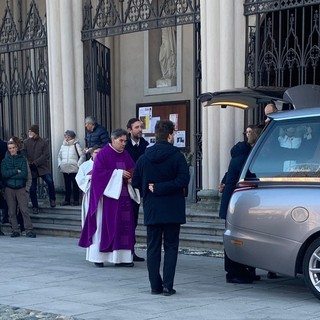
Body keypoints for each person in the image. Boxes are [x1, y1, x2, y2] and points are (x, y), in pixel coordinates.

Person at [132, 120, 190, 296]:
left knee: (153, 247)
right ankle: (167, 285)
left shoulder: (144, 157)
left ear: (156, 136)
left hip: (152, 208)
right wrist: (162, 187)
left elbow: (135, 181)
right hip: (173, 208)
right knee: (171, 247)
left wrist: (154, 187)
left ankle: (154, 286)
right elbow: (183, 181)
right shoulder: (178, 156)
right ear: (170, 135)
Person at [78, 129, 136, 268]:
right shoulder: (103, 154)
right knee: (103, 227)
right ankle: (99, 257)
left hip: (123, 197)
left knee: (123, 227)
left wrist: (131, 177)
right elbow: (97, 175)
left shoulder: (126, 154)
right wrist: (117, 174)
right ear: (113, 139)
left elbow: (133, 168)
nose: (123, 144)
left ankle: (122, 258)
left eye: (125, 141)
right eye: (121, 141)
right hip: (105, 199)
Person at [219, 125, 262, 284]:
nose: (248, 134)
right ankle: (233, 272)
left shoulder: (243, 154)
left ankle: (245, 270)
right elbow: (252, 174)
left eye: (250, 132)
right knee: (234, 238)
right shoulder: (243, 156)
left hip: (237, 201)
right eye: (247, 132)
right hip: (235, 203)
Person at [125, 118, 149, 262]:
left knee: (133, 220)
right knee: (125, 220)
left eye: (141, 127)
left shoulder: (145, 145)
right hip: (124, 186)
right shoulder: (125, 145)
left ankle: (131, 250)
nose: (140, 129)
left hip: (139, 188)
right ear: (130, 130)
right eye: (137, 127)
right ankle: (124, 250)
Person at [1, 140, 36, 238]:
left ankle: (29, 229)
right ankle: (15, 230)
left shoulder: (22, 160)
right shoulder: (4, 161)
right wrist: (16, 171)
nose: (12, 150)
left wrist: (11, 174)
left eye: (13, 148)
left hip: (21, 188)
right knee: (11, 211)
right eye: (10, 148)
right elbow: (4, 174)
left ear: (17, 148)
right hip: (9, 188)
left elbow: (24, 174)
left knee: (24, 210)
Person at [23, 124, 56, 213]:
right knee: (32, 188)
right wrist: (29, 163)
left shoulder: (43, 142)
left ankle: (52, 199)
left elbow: (45, 155)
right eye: (29, 131)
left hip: (42, 167)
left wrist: (36, 162)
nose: (29, 133)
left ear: (36, 133)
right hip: (31, 168)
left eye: (31, 131)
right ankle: (35, 206)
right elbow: (24, 154)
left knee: (50, 181)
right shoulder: (26, 142)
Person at [75, 146, 101, 231]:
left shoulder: (106, 165)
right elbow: (79, 179)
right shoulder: (85, 165)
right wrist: (89, 177)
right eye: (96, 153)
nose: (98, 155)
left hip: (102, 196)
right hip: (89, 194)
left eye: (100, 153)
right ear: (92, 153)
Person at [58, 130, 85, 206]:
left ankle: (76, 200)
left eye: (68, 137)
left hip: (74, 168)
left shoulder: (76, 145)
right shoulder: (63, 145)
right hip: (65, 168)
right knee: (67, 185)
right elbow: (59, 156)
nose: (66, 138)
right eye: (65, 136)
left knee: (75, 185)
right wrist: (60, 164)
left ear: (72, 137)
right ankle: (67, 200)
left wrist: (78, 164)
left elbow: (82, 156)